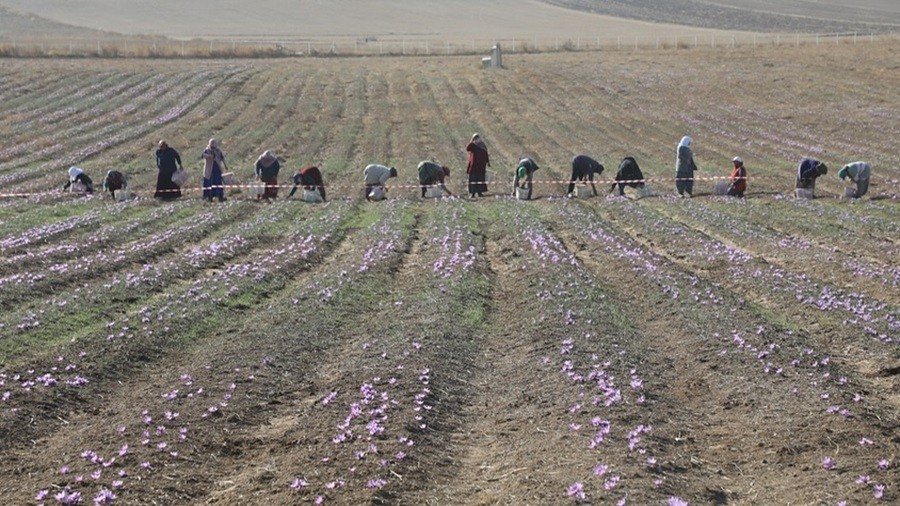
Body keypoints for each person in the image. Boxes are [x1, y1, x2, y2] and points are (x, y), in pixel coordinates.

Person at [466, 133, 490, 198]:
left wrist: (488, 162)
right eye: (475, 138)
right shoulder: (473, 145)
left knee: (480, 179)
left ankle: (480, 193)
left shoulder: (482, 145)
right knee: (473, 180)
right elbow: (468, 148)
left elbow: (486, 153)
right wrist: (472, 142)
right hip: (474, 166)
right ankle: (473, 194)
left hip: (481, 166)